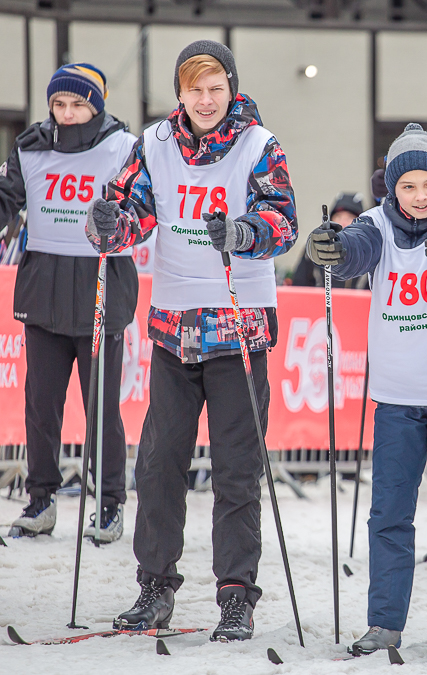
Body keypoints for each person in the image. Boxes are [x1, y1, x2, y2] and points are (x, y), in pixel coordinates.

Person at [87, 40, 298, 642]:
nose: (205, 100)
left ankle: (236, 596)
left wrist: (244, 229)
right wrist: (109, 224)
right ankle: (155, 587)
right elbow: (131, 213)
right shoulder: (151, 144)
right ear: (179, 92)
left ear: (231, 89)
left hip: (239, 329)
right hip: (174, 329)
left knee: (235, 472)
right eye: (194, 89)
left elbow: (282, 221)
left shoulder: (261, 145)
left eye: (215, 89)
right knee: (157, 466)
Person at [305, 123, 427, 658]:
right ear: (392, 189)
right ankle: (385, 622)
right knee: (389, 512)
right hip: (396, 397)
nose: (419, 196)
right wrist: (333, 250)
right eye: (407, 187)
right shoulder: (376, 223)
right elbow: (356, 251)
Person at [2, 64, 138, 542]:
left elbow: (142, 206)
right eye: (59, 103)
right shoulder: (30, 146)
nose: (68, 112)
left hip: (101, 290)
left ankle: (110, 502)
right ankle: (40, 500)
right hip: (43, 292)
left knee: (101, 407)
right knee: (40, 406)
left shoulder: (123, 147)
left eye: (79, 103)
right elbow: (7, 197)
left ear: (97, 105)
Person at [290, 191, 366, 287]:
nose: (343, 222)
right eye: (338, 216)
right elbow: (299, 284)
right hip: (320, 301)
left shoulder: (370, 253)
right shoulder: (316, 246)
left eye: (349, 218)